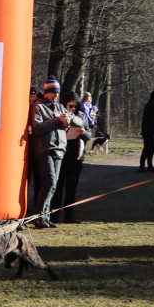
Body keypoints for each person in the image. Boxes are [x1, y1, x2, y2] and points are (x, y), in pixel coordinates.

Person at [30, 76, 83, 228]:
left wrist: (70, 118)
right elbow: (38, 128)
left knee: (53, 185)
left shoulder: (60, 107)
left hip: (60, 150)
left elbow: (80, 122)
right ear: (46, 92)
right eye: (53, 92)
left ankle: (45, 217)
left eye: (57, 92)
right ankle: (39, 216)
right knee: (50, 182)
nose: (55, 95)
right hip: (45, 149)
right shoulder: (38, 107)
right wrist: (58, 120)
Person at [54, 90, 90, 223]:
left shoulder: (82, 116)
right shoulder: (58, 115)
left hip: (76, 156)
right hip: (60, 155)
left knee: (72, 187)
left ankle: (70, 214)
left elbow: (89, 135)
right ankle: (54, 213)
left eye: (76, 106)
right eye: (71, 106)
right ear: (65, 105)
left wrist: (83, 133)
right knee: (58, 186)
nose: (73, 108)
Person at [139, 90, 154, 172]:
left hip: (146, 131)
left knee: (148, 148)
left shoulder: (149, 105)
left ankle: (146, 166)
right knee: (149, 149)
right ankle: (145, 166)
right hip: (150, 132)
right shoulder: (153, 106)